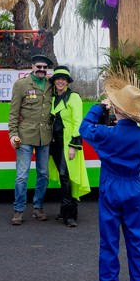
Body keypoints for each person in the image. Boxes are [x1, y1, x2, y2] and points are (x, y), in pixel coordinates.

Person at [79, 75, 140, 281]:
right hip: (133, 186)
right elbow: (139, 131)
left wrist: (98, 108)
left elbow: (84, 129)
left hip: (111, 186)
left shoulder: (107, 134)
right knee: (136, 242)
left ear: (116, 109)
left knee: (109, 244)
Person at [8, 54, 54, 225]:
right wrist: (13, 134)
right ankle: (18, 210)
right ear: (32, 66)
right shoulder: (21, 85)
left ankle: (38, 207)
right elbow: (13, 113)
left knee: (43, 174)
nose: (42, 70)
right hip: (25, 135)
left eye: (45, 68)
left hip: (45, 136)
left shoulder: (51, 85)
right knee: (22, 175)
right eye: (39, 67)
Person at [47, 66, 91, 227]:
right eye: (57, 78)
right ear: (54, 81)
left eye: (63, 79)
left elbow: (78, 122)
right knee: (63, 177)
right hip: (55, 145)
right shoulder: (52, 99)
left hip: (68, 144)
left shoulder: (74, 97)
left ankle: (70, 214)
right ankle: (64, 209)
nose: (60, 81)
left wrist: (74, 145)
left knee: (67, 176)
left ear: (67, 82)